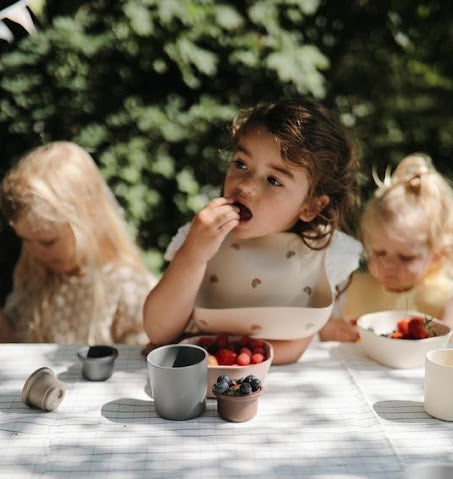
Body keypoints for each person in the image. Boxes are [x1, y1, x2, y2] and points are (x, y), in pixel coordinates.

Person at [142, 98, 363, 363]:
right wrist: (193, 254)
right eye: (241, 164)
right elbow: (158, 330)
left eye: (273, 180)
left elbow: (294, 346)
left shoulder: (326, 252)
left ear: (311, 206)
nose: (245, 186)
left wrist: (210, 350)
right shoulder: (202, 237)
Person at [0, 141, 156, 345]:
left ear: (89, 217)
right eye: (26, 240)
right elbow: (19, 348)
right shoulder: (35, 274)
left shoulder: (126, 286)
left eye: (48, 242)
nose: (35, 251)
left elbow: (141, 364)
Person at [338, 153, 453, 343]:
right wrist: (336, 331)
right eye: (379, 252)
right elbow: (324, 337)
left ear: (439, 254)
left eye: (406, 257)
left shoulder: (443, 296)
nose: (388, 264)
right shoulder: (349, 287)